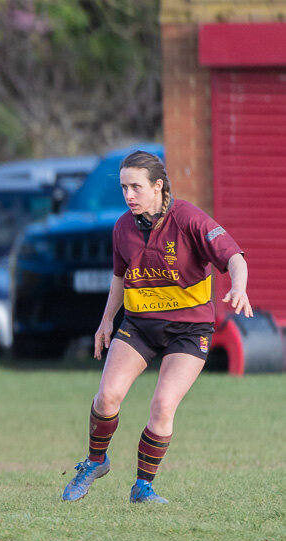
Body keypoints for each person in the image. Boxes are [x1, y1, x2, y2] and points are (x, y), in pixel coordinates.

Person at [61, 151, 248, 505]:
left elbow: (234, 257)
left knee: (163, 406)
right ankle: (95, 461)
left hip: (189, 332)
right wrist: (105, 321)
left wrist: (238, 287)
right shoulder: (122, 227)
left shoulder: (189, 218)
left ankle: (142, 486)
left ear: (158, 186)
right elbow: (120, 277)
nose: (128, 195)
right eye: (124, 188)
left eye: (136, 187)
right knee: (107, 396)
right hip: (140, 326)